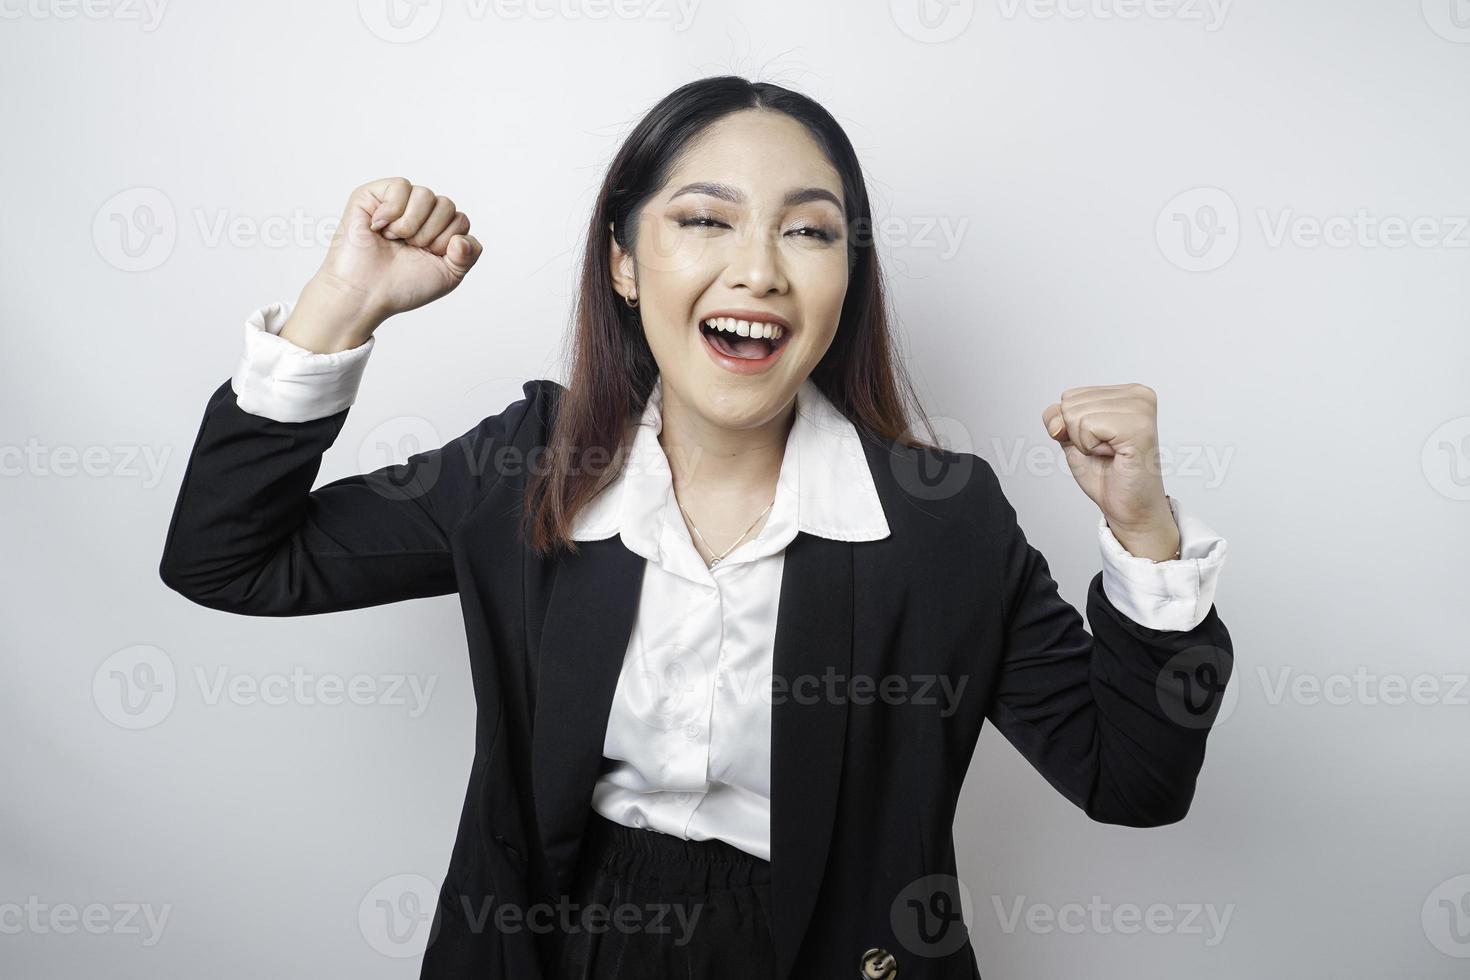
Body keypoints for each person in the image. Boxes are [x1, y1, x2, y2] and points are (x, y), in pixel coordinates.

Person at [159, 75, 1232, 980]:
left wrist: (1144, 529)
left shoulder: (941, 520)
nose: (759, 268)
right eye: (705, 219)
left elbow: (1130, 780)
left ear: (846, 277)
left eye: (808, 230)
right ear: (624, 262)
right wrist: (340, 307)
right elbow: (228, 557)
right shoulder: (526, 465)